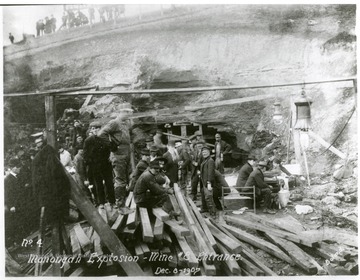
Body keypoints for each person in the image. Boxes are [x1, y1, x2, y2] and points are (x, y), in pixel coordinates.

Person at [97, 111, 132, 209]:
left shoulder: (125, 123)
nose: (128, 114)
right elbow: (101, 134)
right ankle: (120, 206)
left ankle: (123, 204)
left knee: (124, 180)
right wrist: (111, 145)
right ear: (119, 113)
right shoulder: (114, 123)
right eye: (126, 112)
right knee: (120, 180)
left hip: (125, 154)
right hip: (118, 155)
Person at [83, 121, 115, 208]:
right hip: (95, 165)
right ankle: (101, 202)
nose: (95, 130)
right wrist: (92, 162)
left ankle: (112, 201)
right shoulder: (88, 140)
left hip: (106, 164)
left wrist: (112, 154)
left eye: (97, 128)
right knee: (98, 184)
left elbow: (113, 148)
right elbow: (85, 155)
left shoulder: (106, 138)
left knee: (109, 183)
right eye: (93, 129)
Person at [199, 145, 216, 218]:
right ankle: (204, 209)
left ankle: (213, 213)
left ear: (209, 152)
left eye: (205, 152)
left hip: (207, 182)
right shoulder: (205, 160)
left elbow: (210, 173)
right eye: (203, 152)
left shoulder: (210, 161)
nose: (204, 154)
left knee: (208, 197)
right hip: (204, 181)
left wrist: (209, 182)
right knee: (203, 194)